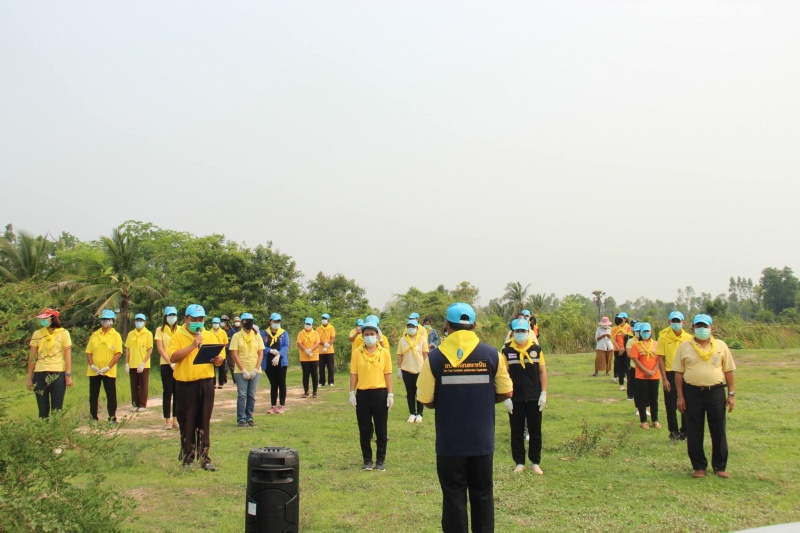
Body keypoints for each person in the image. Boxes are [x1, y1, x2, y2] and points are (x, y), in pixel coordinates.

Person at [417, 303, 513, 533]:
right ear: (474, 325)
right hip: (481, 441)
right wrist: (484, 398)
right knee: (483, 495)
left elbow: (425, 399)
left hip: (450, 443)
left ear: (447, 326)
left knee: (453, 496)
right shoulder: (492, 355)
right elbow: (507, 391)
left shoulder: (435, 358)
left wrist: (447, 401)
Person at [675, 314, 736, 478]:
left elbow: (728, 371)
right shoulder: (684, 346)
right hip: (692, 392)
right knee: (694, 430)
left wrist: (731, 394)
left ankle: (719, 466)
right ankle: (699, 466)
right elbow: (678, 373)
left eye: (705, 326)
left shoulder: (721, 346)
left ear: (711, 328)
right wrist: (680, 396)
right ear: (693, 328)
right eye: (699, 326)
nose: (702, 329)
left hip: (715, 392)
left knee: (718, 429)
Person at [168, 304, 225, 471]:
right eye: (194, 319)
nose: (198, 322)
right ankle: (187, 457)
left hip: (206, 383)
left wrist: (218, 360)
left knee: (204, 421)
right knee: (187, 422)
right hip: (186, 385)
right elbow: (173, 357)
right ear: (186, 319)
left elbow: (220, 355)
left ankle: (204, 458)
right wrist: (193, 345)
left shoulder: (209, 335)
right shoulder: (178, 335)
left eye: (201, 319)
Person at [501, 318, 547, 475]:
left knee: (535, 431)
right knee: (516, 431)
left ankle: (535, 462)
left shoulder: (537, 350)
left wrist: (544, 392)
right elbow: (504, 375)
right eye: (518, 331)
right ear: (513, 333)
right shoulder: (507, 351)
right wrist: (506, 396)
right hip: (515, 397)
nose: (521, 334)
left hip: (534, 396)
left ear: (528, 332)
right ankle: (519, 462)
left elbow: (542, 372)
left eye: (523, 331)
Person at [348, 318, 393, 471]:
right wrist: (351, 392)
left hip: (380, 393)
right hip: (363, 394)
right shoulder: (357, 353)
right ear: (362, 336)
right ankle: (367, 461)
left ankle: (380, 461)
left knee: (381, 429)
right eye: (366, 334)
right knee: (365, 429)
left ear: (377, 334)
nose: (369, 337)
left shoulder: (384, 353)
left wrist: (390, 394)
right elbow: (354, 374)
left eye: (372, 334)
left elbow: (388, 374)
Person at [27, 308, 72, 419]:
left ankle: (56, 429)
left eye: (45, 319)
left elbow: (67, 356)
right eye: (41, 319)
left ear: (53, 319)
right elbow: (32, 357)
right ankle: (44, 429)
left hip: (57, 373)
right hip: (40, 373)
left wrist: (68, 375)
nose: (42, 321)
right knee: (42, 409)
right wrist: (29, 377)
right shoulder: (37, 334)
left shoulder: (63, 333)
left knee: (57, 408)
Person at [657, 311, 693, 441]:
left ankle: (685, 431)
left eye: (678, 321)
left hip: (685, 373)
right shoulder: (663, 337)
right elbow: (660, 358)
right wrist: (664, 378)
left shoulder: (689, 338)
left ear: (683, 322)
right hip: (670, 373)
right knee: (670, 405)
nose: (676, 323)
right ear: (669, 322)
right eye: (674, 321)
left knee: (686, 402)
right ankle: (673, 431)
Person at [85, 309, 123, 424]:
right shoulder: (95, 335)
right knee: (93, 395)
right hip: (95, 371)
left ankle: (112, 417)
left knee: (111, 395)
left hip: (108, 371)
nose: (105, 321)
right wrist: (92, 365)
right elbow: (88, 352)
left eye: (108, 319)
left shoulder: (116, 335)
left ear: (112, 321)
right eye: (103, 319)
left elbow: (118, 353)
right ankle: (93, 418)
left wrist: (108, 367)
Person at [229, 312, 265, 427]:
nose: (248, 323)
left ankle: (249, 417)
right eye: (246, 321)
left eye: (250, 321)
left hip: (255, 369)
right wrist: (243, 370)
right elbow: (235, 354)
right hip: (241, 370)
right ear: (242, 322)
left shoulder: (257, 336)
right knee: (242, 395)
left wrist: (256, 369)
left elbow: (261, 354)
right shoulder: (236, 336)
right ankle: (241, 418)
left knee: (251, 394)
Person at [396, 318, 429, 423]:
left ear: (417, 328)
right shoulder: (402, 340)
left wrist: (427, 369)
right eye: (409, 327)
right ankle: (412, 413)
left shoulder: (422, 339)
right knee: (410, 393)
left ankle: (419, 413)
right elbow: (400, 355)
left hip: (419, 370)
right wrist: (399, 369)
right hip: (407, 370)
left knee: (419, 393)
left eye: (413, 327)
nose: (411, 329)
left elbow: (425, 355)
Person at [630, 322, 661, 429]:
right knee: (642, 398)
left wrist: (654, 370)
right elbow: (635, 359)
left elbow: (659, 359)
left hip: (654, 375)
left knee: (654, 398)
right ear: (640, 333)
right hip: (641, 376)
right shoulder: (636, 345)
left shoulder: (656, 344)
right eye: (644, 332)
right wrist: (645, 371)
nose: (646, 333)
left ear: (651, 332)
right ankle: (643, 421)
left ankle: (655, 420)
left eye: (647, 331)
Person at [155, 306, 179, 429]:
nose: (172, 318)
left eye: (173, 315)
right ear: (165, 317)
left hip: (178, 364)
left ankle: (176, 419)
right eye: (170, 315)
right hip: (166, 364)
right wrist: (170, 362)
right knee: (167, 392)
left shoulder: (180, 330)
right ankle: (167, 420)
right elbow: (160, 348)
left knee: (178, 392)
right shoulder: (160, 330)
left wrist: (176, 361)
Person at [262, 313, 290, 414]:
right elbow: (261, 345)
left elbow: (286, 345)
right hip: (268, 361)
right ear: (270, 322)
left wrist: (279, 355)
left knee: (282, 383)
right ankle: (273, 406)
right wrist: (270, 350)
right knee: (273, 384)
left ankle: (282, 405)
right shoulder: (264, 333)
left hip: (281, 362)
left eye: (278, 321)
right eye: (275, 321)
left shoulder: (284, 333)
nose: (276, 323)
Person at [125, 313, 153, 412]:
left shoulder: (148, 333)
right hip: (132, 363)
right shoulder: (130, 334)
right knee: (134, 385)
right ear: (134, 322)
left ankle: (142, 404)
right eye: (137, 321)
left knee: (143, 385)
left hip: (143, 364)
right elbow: (127, 349)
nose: (139, 322)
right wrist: (126, 363)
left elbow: (150, 349)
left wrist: (143, 363)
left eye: (141, 321)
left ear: (144, 322)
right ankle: (135, 404)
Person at [297, 317, 321, 398]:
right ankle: (306, 391)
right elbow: (299, 343)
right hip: (304, 357)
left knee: (315, 374)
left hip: (314, 356)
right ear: (304, 324)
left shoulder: (315, 333)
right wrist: (305, 350)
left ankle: (315, 392)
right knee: (305, 374)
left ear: (312, 325)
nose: (308, 325)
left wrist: (311, 350)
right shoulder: (300, 333)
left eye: (309, 324)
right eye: (306, 324)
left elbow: (317, 343)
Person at [611, 312, 632, 387]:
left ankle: (629, 383)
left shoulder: (629, 328)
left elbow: (629, 339)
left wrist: (623, 348)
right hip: (617, 350)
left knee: (627, 366)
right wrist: (619, 348)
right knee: (620, 367)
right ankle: (621, 384)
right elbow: (613, 339)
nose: (619, 320)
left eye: (621, 318)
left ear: (625, 319)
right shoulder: (615, 328)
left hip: (626, 350)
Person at [317, 313, 337, 387]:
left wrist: (328, 345)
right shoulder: (318, 328)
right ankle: (321, 382)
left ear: (328, 320)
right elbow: (317, 339)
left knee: (330, 367)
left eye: (325, 318)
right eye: (323, 318)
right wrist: (324, 344)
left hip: (329, 351)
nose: (324, 320)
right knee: (321, 367)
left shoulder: (331, 328)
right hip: (321, 351)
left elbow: (333, 338)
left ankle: (331, 381)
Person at [210, 317, 229, 389]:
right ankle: (213, 383)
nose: (215, 324)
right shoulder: (209, 332)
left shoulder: (223, 332)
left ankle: (221, 383)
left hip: (221, 353)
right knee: (212, 369)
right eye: (214, 323)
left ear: (219, 324)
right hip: (212, 352)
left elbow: (226, 342)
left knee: (222, 369)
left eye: (217, 323)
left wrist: (221, 348)